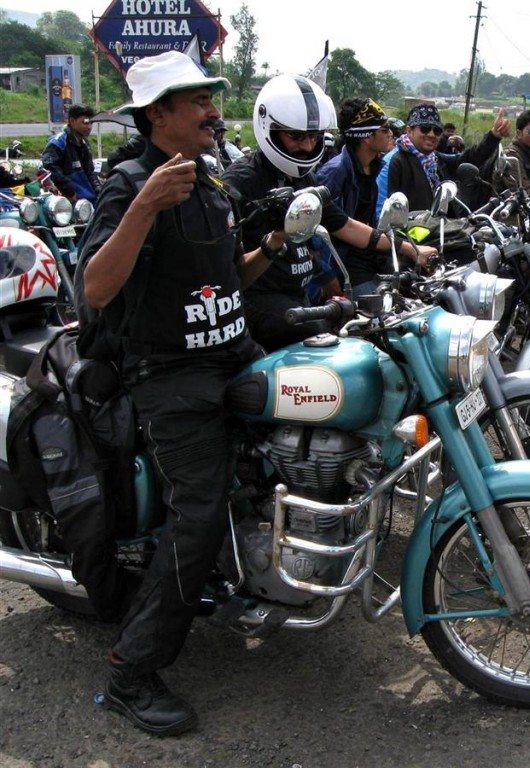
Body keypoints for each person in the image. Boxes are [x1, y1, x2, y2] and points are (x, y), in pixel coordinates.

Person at [77, 50, 275, 737]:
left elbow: (226, 285)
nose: (212, 111)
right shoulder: (130, 183)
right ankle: (130, 676)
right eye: (197, 100)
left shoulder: (212, 184)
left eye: (210, 99)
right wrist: (143, 205)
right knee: (199, 511)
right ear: (158, 113)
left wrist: (275, 244)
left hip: (232, 355)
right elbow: (96, 289)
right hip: (170, 376)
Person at [224, 77, 428, 350]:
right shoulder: (239, 183)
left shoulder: (304, 180)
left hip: (300, 297)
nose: (307, 146)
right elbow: (227, 270)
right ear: (268, 127)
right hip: (260, 303)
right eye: (295, 136)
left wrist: (409, 248)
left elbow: (346, 226)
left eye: (314, 136)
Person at [315, 97, 437, 297]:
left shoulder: (374, 167)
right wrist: (330, 283)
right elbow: (317, 238)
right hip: (344, 271)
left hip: (370, 261)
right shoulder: (335, 174)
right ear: (366, 137)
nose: (391, 134)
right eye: (384, 129)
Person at [376, 103, 509, 216]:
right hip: (410, 238)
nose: (431, 135)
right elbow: (380, 210)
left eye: (437, 131)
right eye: (425, 129)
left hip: (438, 231)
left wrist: (493, 137)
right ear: (409, 130)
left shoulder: (434, 159)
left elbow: (469, 158)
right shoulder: (393, 161)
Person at [41, 104, 100, 202]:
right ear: (72, 121)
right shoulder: (58, 142)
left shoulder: (85, 143)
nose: (89, 127)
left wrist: (100, 192)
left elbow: (90, 172)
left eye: (91, 123)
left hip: (90, 200)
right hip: (71, 202)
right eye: (85, 122)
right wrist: (69, 192)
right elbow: (50, 168)